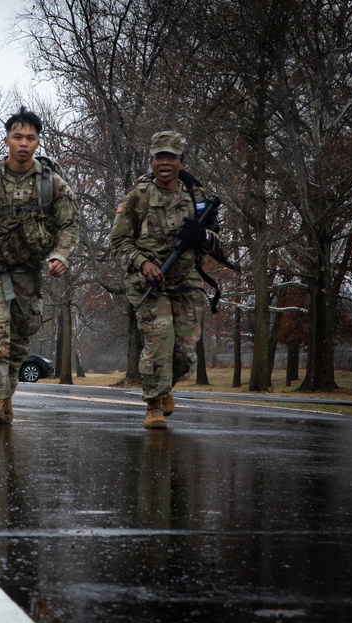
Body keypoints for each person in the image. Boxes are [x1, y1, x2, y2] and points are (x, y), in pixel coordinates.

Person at [0, 107, 79, 423]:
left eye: (30, 138)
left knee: (20, 339)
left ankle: (6, 397)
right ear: (7, 139)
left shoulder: (53, 184)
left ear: (38, 142)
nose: (23, 143)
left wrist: (60, 256)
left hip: (28, 272)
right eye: (17, 137)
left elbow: (70, 224)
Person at [110, 130, 221, 429]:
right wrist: (142, 262)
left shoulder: (197, 197)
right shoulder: (137, 196)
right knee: (159, 343)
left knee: (184, 353)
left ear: (181, 162)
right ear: (152, 161)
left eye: (170, 157)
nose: (164, 162)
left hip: (186, 280)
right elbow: (119, 242)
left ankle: (164, 386)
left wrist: (203, 236)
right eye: (159, 156)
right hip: (148, 284)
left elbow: (218, 244)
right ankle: (154, 404)